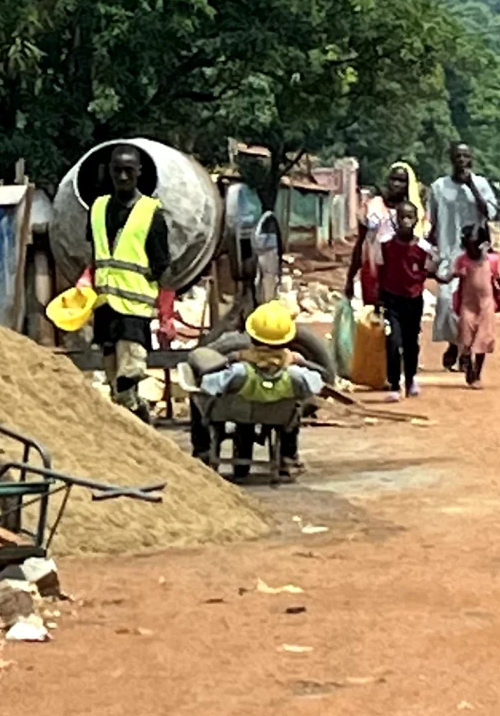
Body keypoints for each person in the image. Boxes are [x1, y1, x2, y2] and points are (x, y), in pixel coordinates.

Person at [197, 300, 328, 481]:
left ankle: (202, 451)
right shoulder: (297, 376)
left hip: (237, 412)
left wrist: (232, 359)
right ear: (288, 340)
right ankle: (288, 457)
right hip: (278, 416)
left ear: (252, 337)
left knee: (213, 402)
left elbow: (206, 384)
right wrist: (298, 361)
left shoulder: (238, 372)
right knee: (293, 411)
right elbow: (320, 381)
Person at [88, 145, 170, 417]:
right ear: (109, 171)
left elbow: (161, 263)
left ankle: (137, 415)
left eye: (129, 170)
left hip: (134, 312)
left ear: (139, 172)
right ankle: (133, 419)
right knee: (114, 382)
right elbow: (95, 253)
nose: (123, 177)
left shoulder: (150, 212)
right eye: (117, 170)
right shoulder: (98, 208)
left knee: (128, 374)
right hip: (105, 308)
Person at [347, 165, 434, 399]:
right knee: (384, 333)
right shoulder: (373, 207)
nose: (396, 184)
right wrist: (351, 276)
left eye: (402, 181)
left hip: (409, 286)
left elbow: (426, 259)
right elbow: (361, 242)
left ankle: (407, 377)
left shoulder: (416, 212)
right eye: (393, 179)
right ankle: (388, 378)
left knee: (409, 338)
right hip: (380, 277)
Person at [423, 143, 498, 370]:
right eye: (458, 156)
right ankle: (455, 344)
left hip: (474, 257)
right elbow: (432, 222)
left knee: (473, 306)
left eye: (466, 156)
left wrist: (471, 187)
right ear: (451, 159)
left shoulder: (481, 184)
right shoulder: (439, 187)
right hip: (448, 254)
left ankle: (466, 350)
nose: (462, 160)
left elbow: (490, 213)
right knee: (447, 303)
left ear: (471, 159)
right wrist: (430, 253)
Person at [448, 223, 500, 386]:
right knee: (466, 339)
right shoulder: (462, 261)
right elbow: (453, 278)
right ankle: (467, 362)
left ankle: (477, 373)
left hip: (486, 306)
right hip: (468, 305)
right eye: (468, 247)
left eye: (474, 246)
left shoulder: (491, 261)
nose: (471, 251)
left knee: (483, 340)